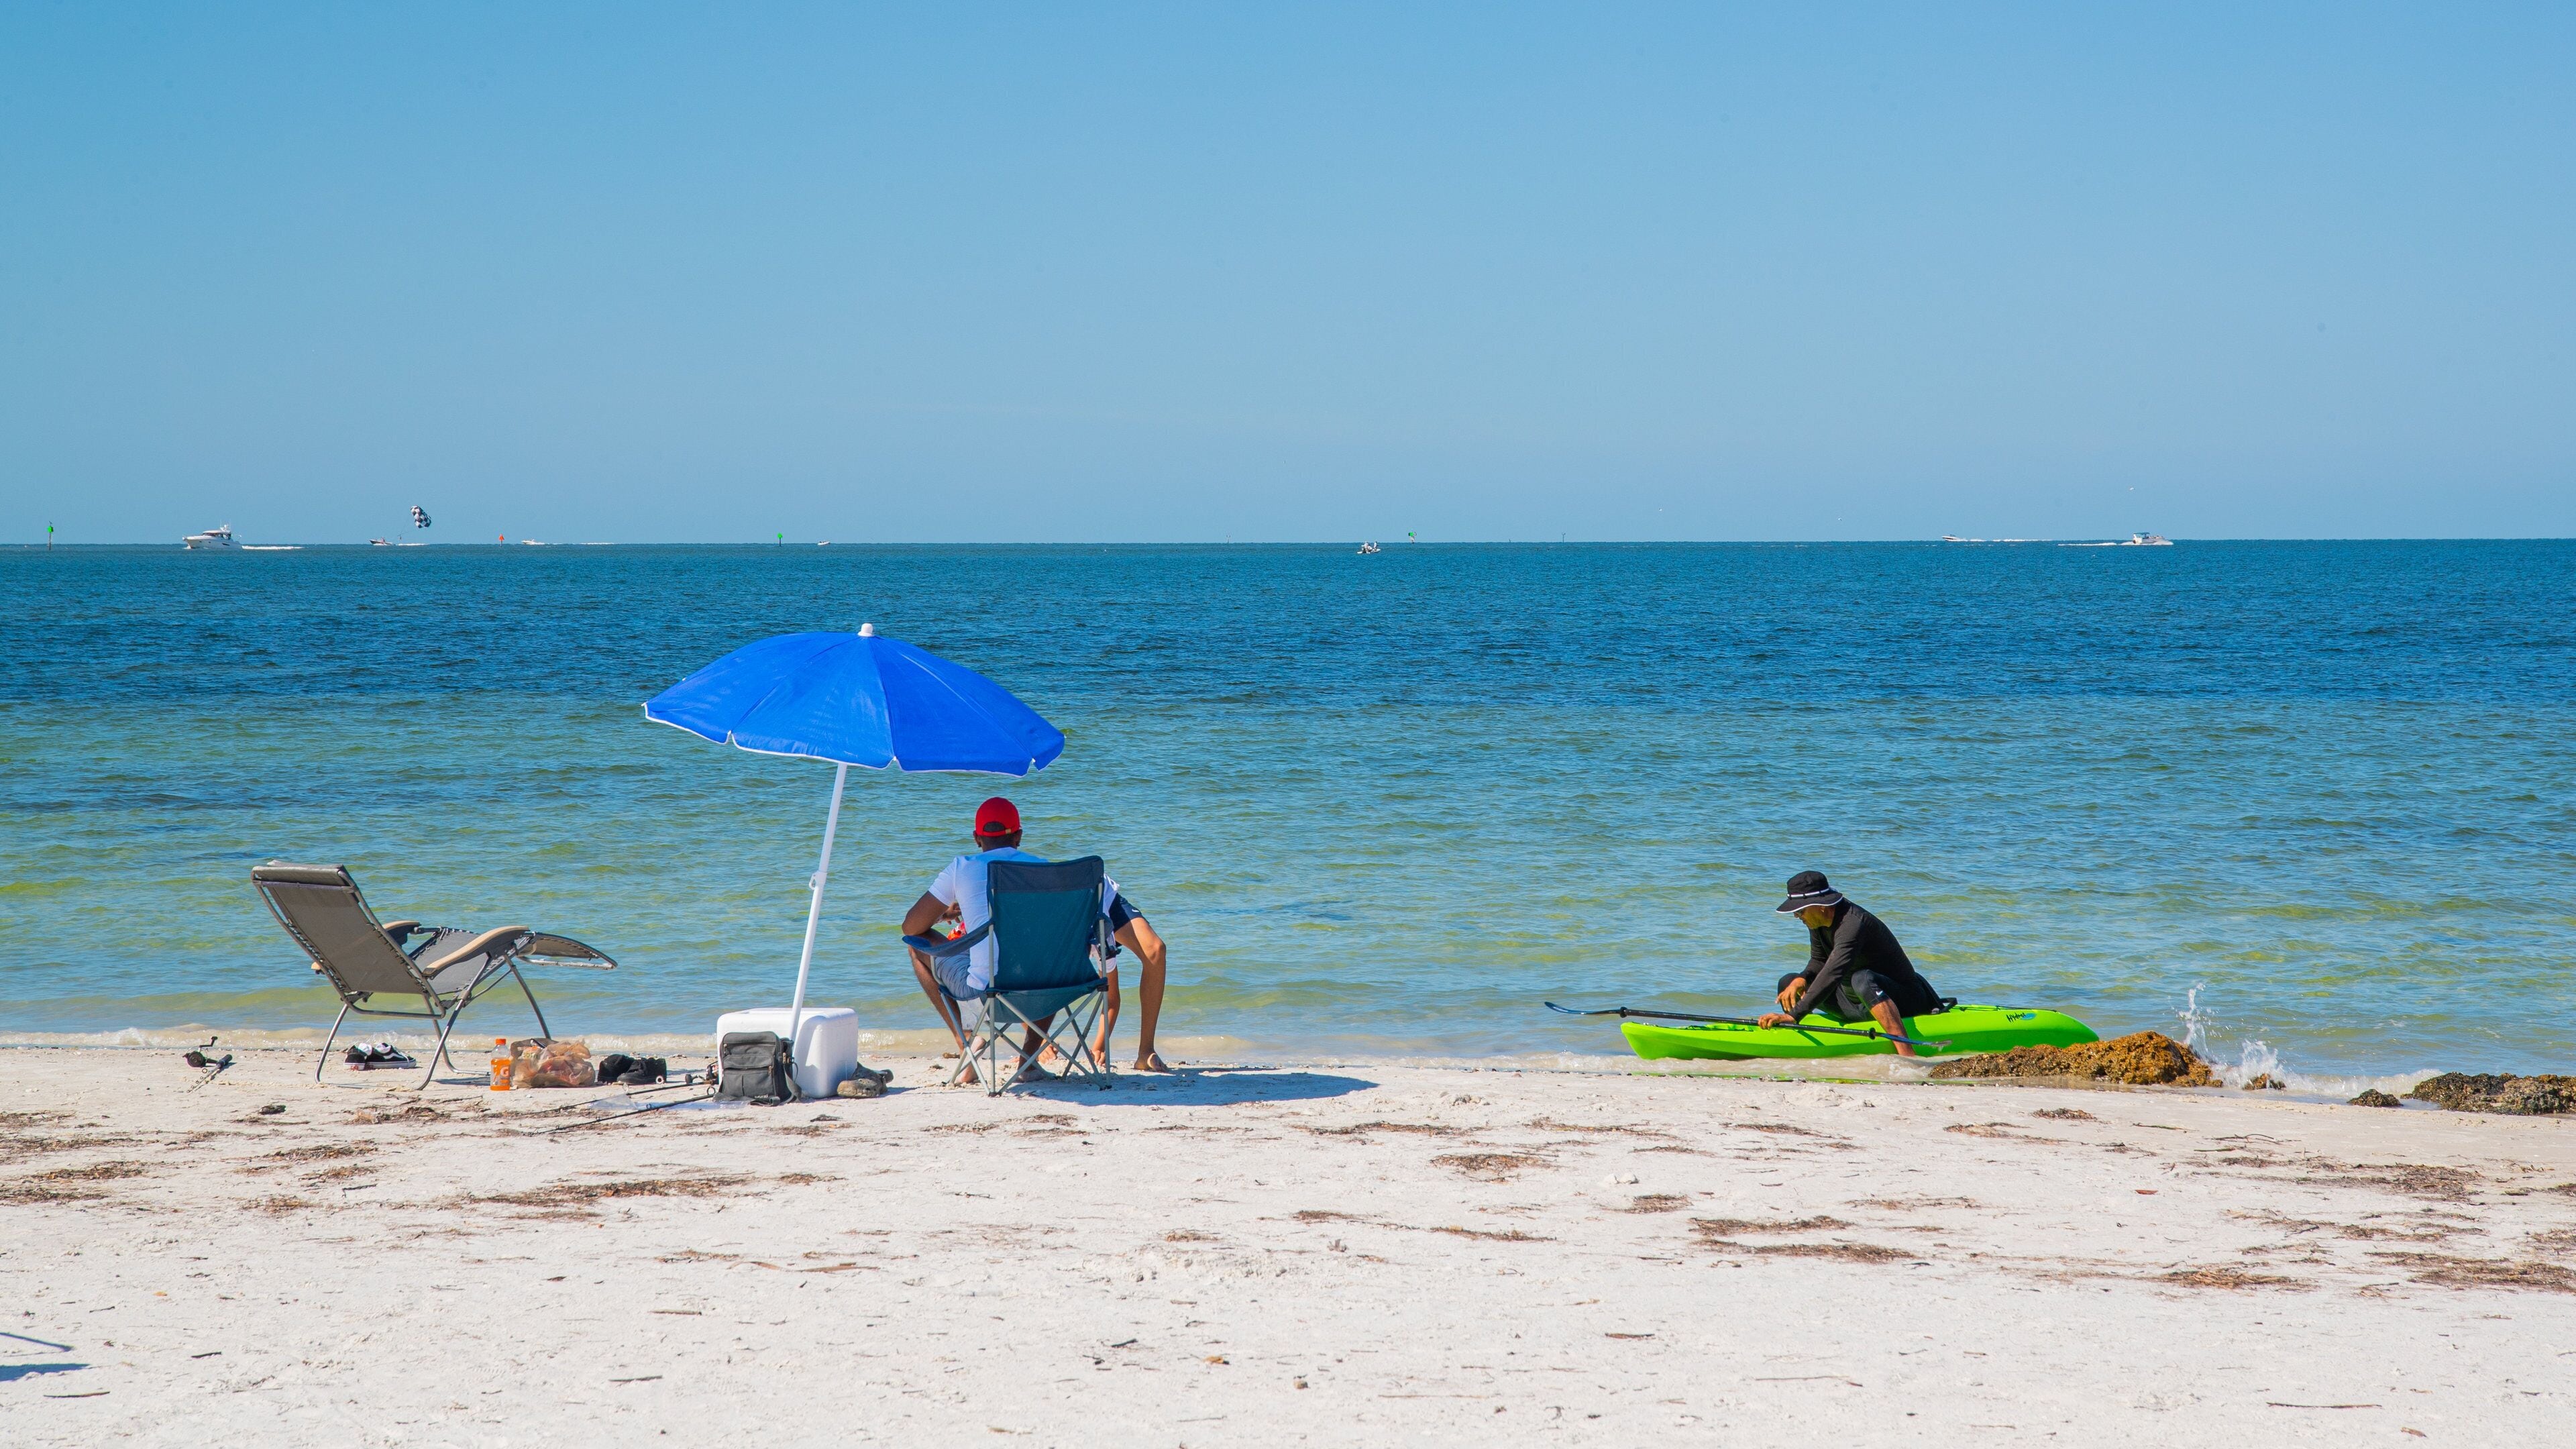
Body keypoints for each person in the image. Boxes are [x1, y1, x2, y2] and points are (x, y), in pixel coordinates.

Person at [900, 796, 1173, 1079]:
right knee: (1048, 957)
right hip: (1050, 993)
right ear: (1018, 836)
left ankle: (967, 1044)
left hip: (986, 996)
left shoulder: (962, 867)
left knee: (916, 947)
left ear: (976, 838)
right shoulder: (1045, 870)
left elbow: (911, 927)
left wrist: (942, 914)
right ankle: (1028, 1059)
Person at [1755, 871, 1946, 1058]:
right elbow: (1819, 961)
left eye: (1800, 910)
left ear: (1821, 905)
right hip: (1856, 1004)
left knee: (1862, 979)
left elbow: (1833, 972)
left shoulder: (1854, 923)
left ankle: (1907, 1054)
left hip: (1903, 1001)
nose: (1797, 916)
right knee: (1789, 982)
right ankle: (1796, 1040)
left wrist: (1795, 1014)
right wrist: (1802, 978)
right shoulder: (1818, 922)